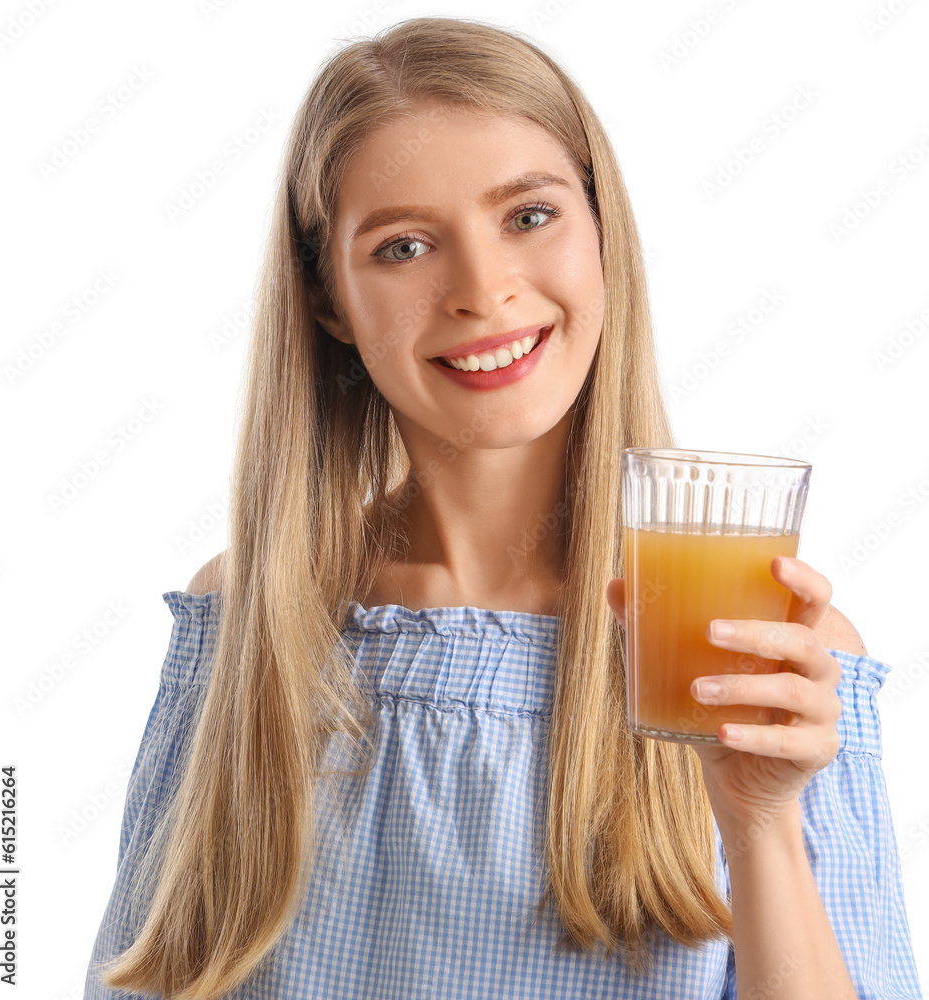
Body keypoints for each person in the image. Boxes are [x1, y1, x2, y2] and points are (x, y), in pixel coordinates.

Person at [83, 15, 922, 1000]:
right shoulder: (253, 618)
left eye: (528, 216)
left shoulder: (761, 649)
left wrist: (761, 822)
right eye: (402, 246)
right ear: (327, 301)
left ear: (603, 231)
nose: (482, 291)